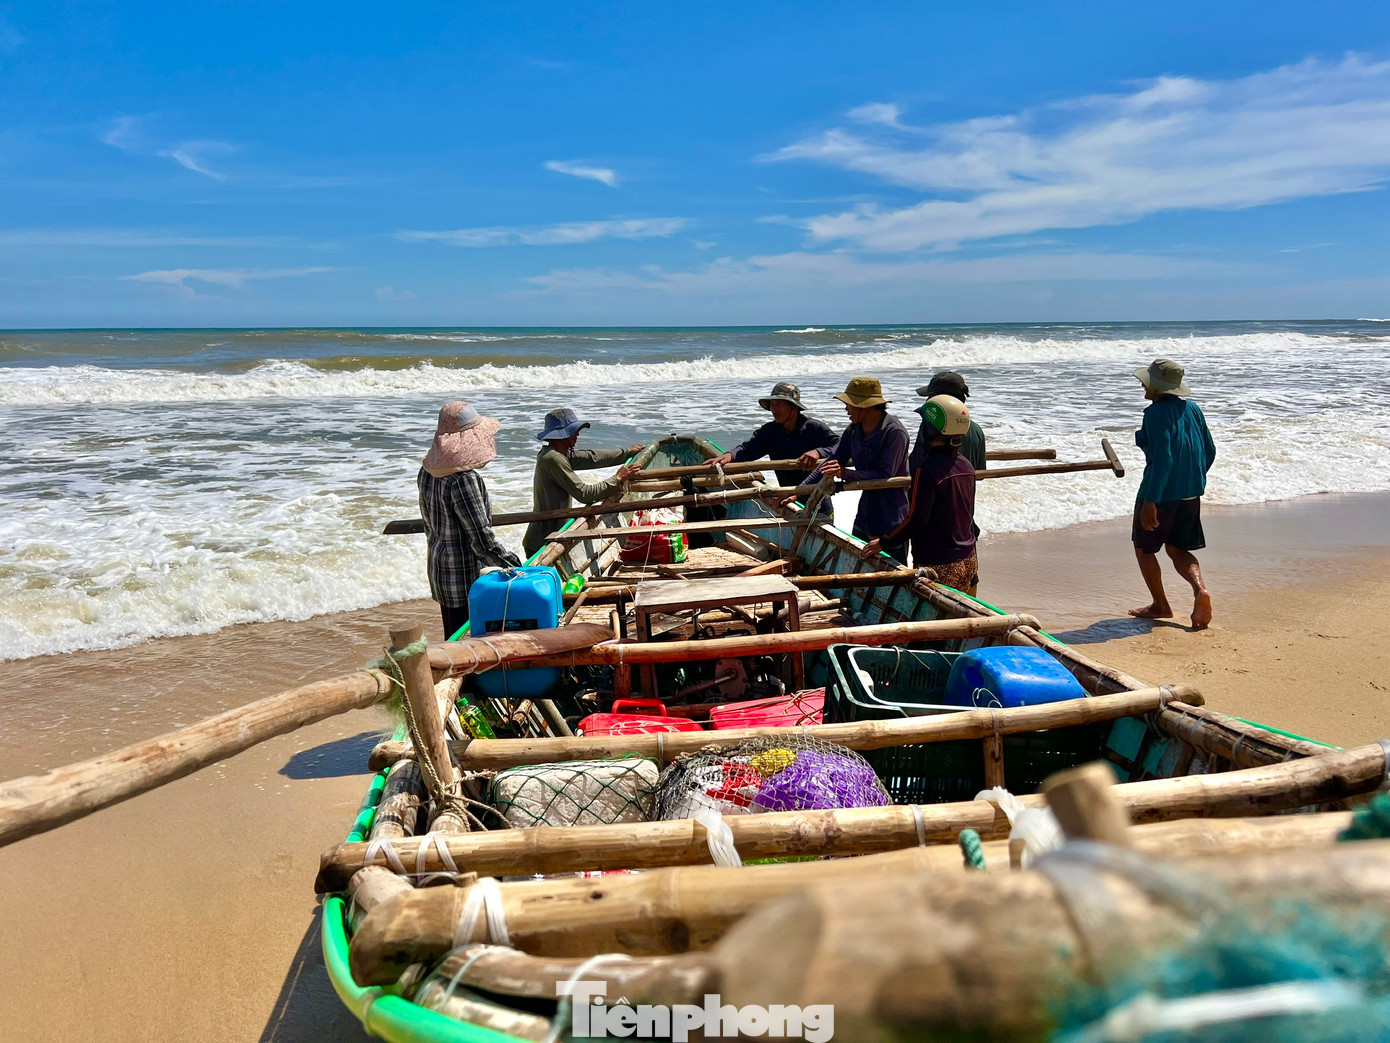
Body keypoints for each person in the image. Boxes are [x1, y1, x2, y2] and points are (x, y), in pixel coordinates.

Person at [417, 401, 520, 640]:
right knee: (468, 647)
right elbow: (482, 540)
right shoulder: (463, 479)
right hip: (465, 580)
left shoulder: (428, 470)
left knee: (452, 639)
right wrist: (515, 566)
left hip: (441, 570)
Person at [1128, 358, 1216, 630]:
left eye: (1147, 381)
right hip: (1190, 492)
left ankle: (1160, 605)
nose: (1143, 384)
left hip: (1160, 493)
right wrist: (1193, 478)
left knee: (1144, 549)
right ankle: (1199, 589)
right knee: (1178, 548)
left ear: (1156, 387)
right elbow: (1209, 450)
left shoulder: (1153, 414)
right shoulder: (1193, 409)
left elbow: (1164, 460)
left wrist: (1151, 501)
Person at [865, 395, 979, 593]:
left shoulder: (926, 471)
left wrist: (884, 542)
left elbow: (917, 520)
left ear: (931, 431)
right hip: (969, 559)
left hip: (939, 564)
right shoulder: (966, 465)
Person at [797, 376, 910, 561]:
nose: (846, 409)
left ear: (863, 406)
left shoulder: (894, 432)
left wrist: (844, 473)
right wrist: (798, 492)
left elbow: (885, 475)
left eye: (849, 404)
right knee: (857, 562)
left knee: (894, 574)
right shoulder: (853, 430)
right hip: (865, 514)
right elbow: (832, 461)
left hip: (891, 518)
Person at [522, 407, 645, 558]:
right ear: (563, 434)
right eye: (574, 431)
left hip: (550, 534)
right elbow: (584, 494)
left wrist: (626, 452)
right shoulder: (554, 459)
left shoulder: (560, 454)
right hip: (542, 541)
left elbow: (592, 457)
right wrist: (617, 478)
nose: (577, 434)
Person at [709, 381, 839, 511]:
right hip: (788, 500)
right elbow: (748, 449)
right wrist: (730, 455)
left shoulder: (813, 428)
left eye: (778, 404)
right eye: (772, 404)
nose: (774, 410)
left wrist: (819, 452)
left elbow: (841, 446)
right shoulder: (770, 432)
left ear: (793, 407)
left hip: (818, 502)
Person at [915, 370, 986, 471]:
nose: (927, 400)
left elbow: (916, 465)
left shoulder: (931, 429)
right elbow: (980, 473)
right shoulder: (977, 430)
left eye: (930, 396)